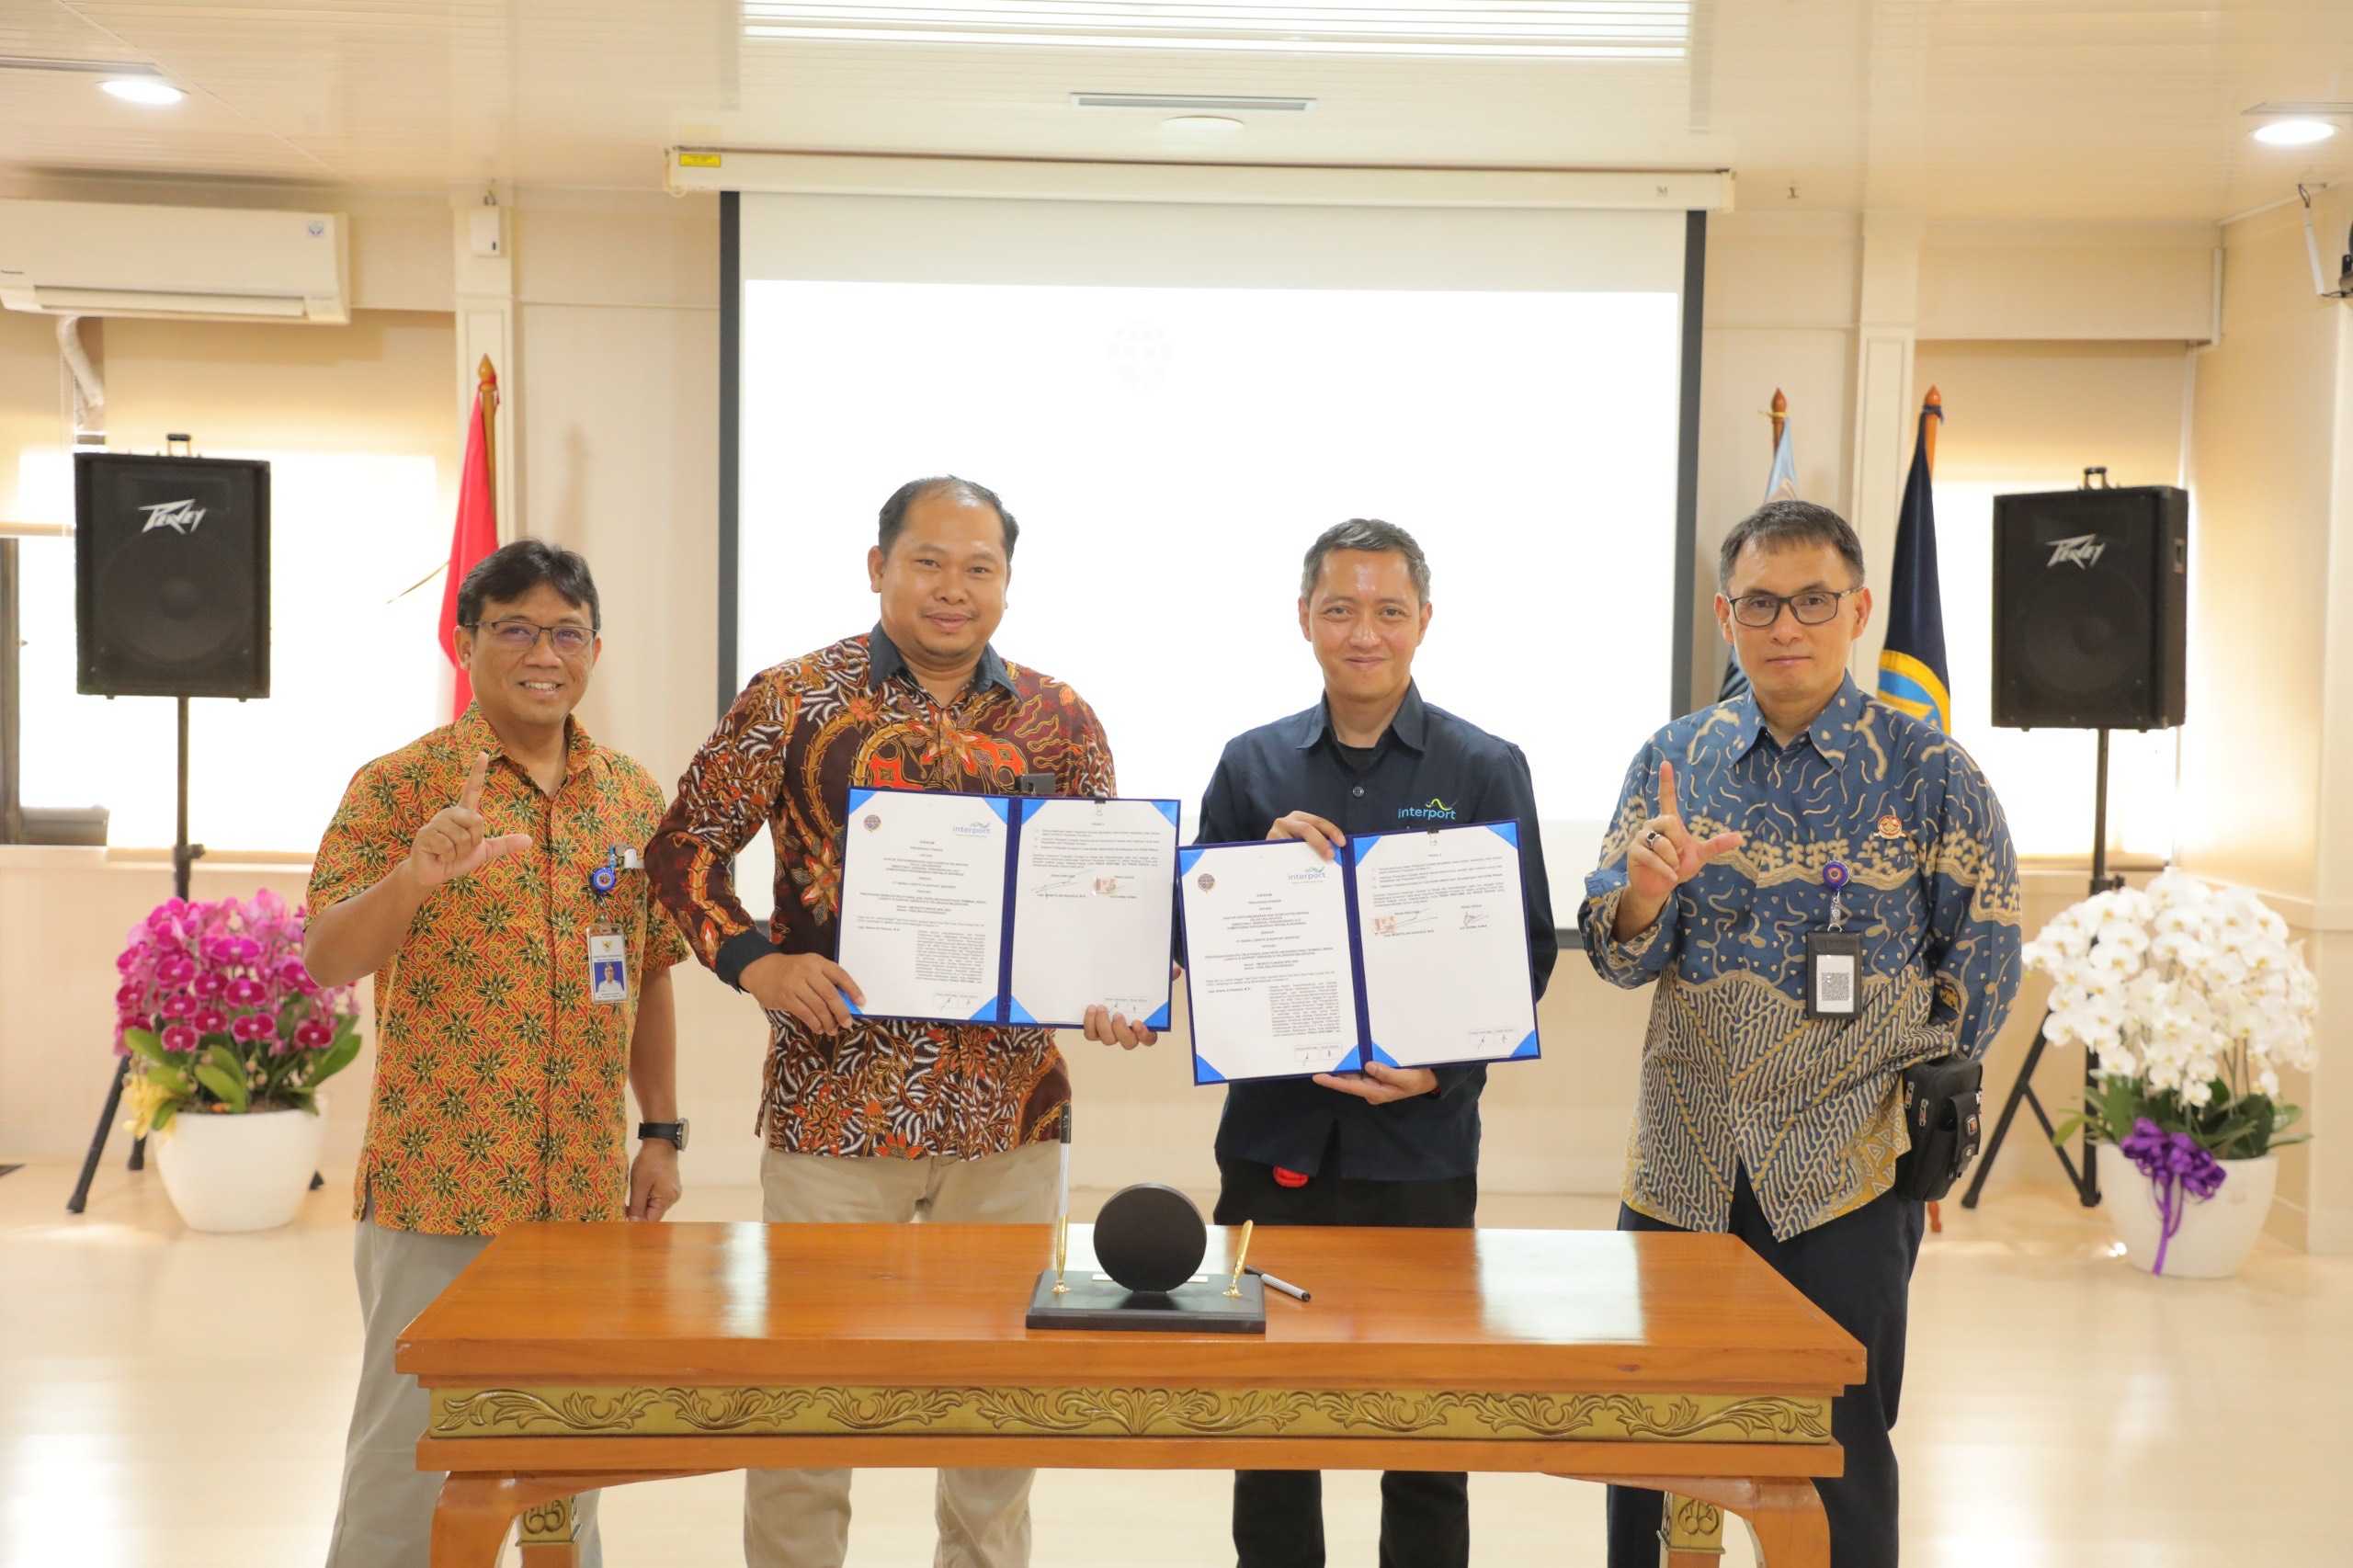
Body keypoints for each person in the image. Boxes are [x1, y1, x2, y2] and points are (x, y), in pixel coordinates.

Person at [646, 475, 1152, 1568]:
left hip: (1010, 1114)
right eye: (928, 560)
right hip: (835, 1104)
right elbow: (680, 848)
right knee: (802, 1391)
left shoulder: (1059, 718)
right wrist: (757, 962)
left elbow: (1102, 891)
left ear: (1008, 584)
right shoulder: (792, 695)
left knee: (997, 1398)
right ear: (878, 567)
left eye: (979, 566)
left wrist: (1116, 987)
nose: (952, 587)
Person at [1581, 498, 2021, 1568]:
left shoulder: (1932, 773)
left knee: (1838, 1441)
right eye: (1761, 603)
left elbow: (1984, 960)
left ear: (1859, 608)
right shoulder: (1673, 760)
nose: (1787, 625)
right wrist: (1641, 893)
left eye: (1813, 600)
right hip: (1684, 1158)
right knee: (1649, 1436)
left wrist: (1918, 1119)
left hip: (1846, 1170)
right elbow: (1616, 951)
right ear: (1725, 615)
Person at [1167, 517, 1557, 1568]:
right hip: (1274, 1142)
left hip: (1421, 1147)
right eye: (1339, 608)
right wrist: (1252, 864)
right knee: (1269, 1414)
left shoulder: (1483, 765)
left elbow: (1524, 954)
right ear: (1304, 619)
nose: (1363, 632)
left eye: (1388, 610)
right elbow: (1196, 930)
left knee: (1425, 1419)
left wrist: (1445, 1067)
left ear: (1423, 620)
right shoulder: (1249, 765)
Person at [305, 540, 691, 1568]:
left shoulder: (628, 793)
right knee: (410, 1460)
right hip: (440, 1189)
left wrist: (659, 1131)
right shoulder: (403, 787)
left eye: (565, 631)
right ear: (469, 642)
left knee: (568, 1458)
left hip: (578, 1194)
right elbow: (324, 956)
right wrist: (413, 879)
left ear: (595, 648)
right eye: (513, 627)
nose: (542, 652)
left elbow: (649, 970)